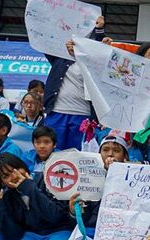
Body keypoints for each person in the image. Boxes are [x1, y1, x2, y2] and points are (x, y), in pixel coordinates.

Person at [43, 16, 106, 150]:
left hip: (82, 115)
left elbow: (101, 51)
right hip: (56, 113)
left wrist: (99, 30)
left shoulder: (93, 62)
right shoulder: (59, 58)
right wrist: (48, 16)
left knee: (77, 154)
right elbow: (46, 43)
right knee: (53, 153)